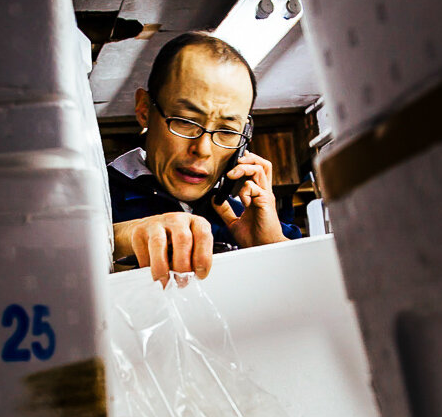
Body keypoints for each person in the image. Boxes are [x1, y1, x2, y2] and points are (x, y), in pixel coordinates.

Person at [109, 32, 301, 283]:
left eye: (227, 131)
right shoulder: (90, 199)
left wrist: (271, 247)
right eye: (186, 121)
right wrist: (115, 241)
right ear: (145, 110)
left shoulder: (247, 218)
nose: (203, 149)